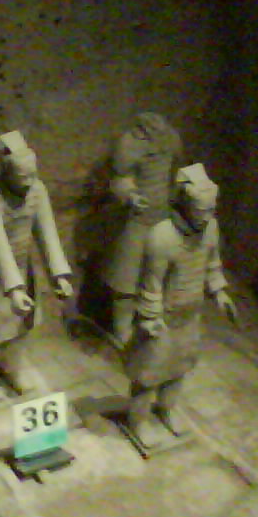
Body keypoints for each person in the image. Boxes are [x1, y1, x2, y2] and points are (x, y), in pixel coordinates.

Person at [125, 163, 237, 451]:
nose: (207, 216)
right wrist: (149, 318)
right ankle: (138, 421)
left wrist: (220, 292)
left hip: (190, 315)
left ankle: (166, 409)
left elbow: (212, 264)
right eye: (202, 211)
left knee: (180, 367)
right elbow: (151, 284)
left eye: (211, 210)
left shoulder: (210, 229)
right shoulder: (162, 236)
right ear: (186, 205)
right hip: (162, 318)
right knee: (149, 373)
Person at [0, 131, 73, 411]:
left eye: (32, 175)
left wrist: (59, 274)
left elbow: (48, 234)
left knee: (21, 324)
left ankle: (13, 367)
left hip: (24, 269)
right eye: (22, 177)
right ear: (7, 172)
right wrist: (13, 289)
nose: (28, 182)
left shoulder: (37, 190)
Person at [102, 113, 182, 345]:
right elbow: (120, 178)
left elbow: (175, 173)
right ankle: (122, 330)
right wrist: (131, 196)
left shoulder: (171, 140)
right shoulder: (131, 142)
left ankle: (150, 323)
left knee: (159, 275)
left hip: (163, 219)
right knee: (126, 277)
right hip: (136, 221)